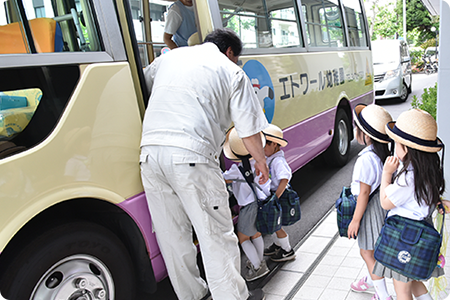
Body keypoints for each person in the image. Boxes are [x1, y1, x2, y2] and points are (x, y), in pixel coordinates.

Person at [140, 28, 269, 300]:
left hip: (149, 155)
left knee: (172, 237)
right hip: (192, 156)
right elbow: (248, 130)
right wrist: (261, 161)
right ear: (230, 52)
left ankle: (193, 296)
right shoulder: (231, 71)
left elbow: (145, 80)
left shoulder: (169, 58)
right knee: (216, 236)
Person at [373, 109, 445, 300]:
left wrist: (386, 173)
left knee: (402, 291)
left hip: (404, 238)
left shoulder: (407, 178)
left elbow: (385, 203)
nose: (393, 146)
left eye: (396, 143)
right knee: (414, 283)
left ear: (406, 148)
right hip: (419, 235)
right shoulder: (428, 173)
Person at [347, 104, 393, 300]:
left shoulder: (365, 159)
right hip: (380, 206)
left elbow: (364, 192)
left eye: (358, 128)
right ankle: (368, 279)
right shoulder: (383, 154)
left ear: (366, 135)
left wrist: (356, 220)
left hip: (369, 209)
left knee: (367, 251)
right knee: (374, 248)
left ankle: (383, 295)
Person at [222, 127, 271, 282]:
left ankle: (257, 266)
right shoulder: (255, 164)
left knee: (243, 238)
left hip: (248, 207)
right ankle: (259, 261)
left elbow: (222, 179)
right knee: (256, 234)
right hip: (257, 202)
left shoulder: (236, 170)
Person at [262, 124, 296, 262]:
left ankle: (287, 250)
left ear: (274, 144)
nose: (262, 149)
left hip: (279, 195)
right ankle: (277, 245)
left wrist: (276, 197)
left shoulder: (277, 161)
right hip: (275, 194)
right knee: (274, 224)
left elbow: (285, 178)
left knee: (276, 225)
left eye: (265, 146)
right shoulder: (271, 158)